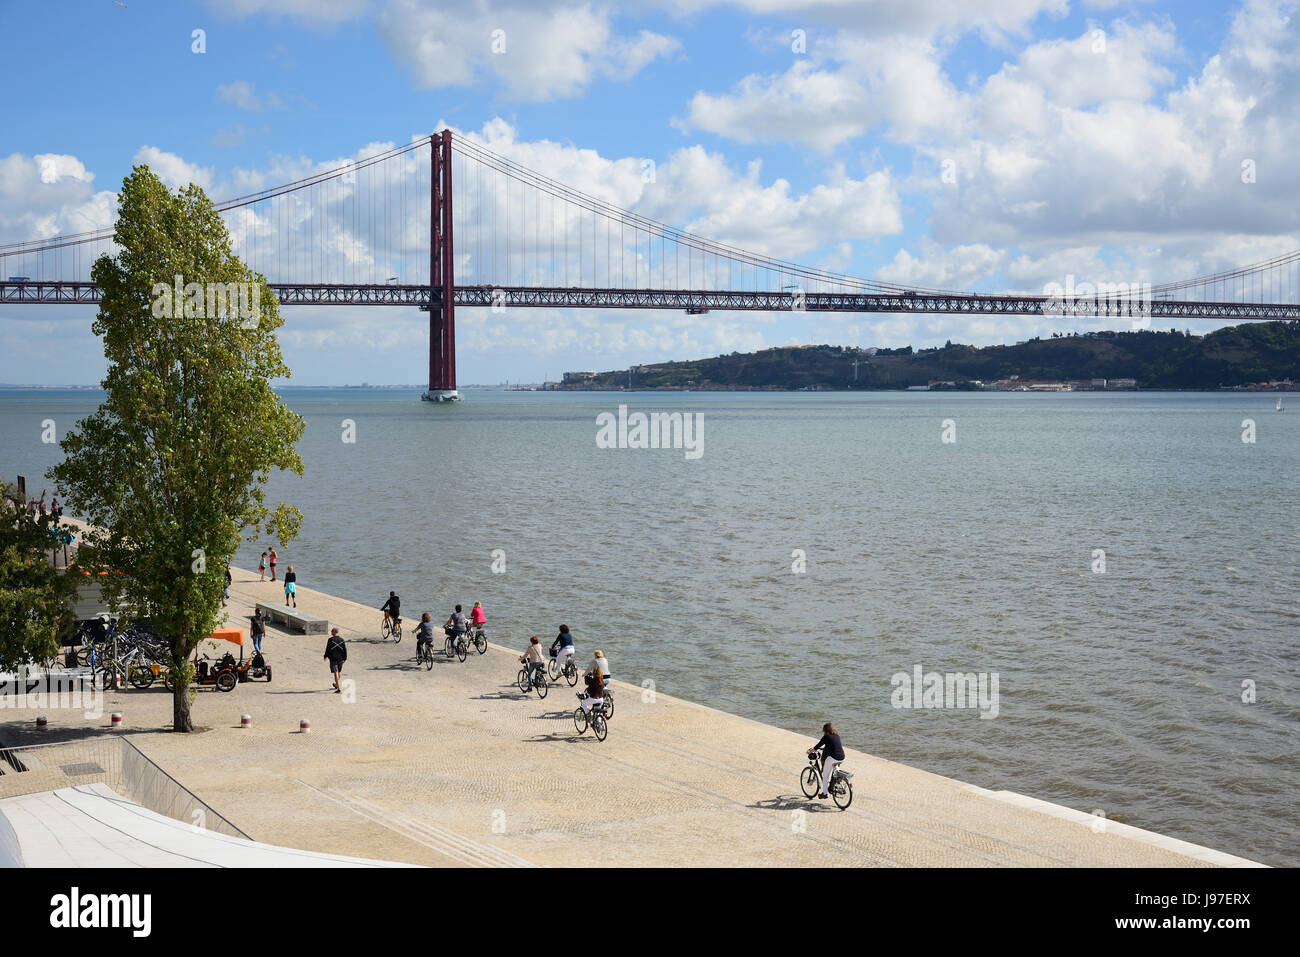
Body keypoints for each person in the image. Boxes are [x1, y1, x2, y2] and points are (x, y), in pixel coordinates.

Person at [808, 722, 846, 800]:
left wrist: (810, 751)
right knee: (835, 770)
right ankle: (834, 785)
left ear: (825, 730)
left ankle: (824, 794)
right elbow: (833, 746)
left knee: (825, 776)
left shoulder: (826, 737)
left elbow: (817, 746)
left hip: (833, 758)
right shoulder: (837, 735)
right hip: (842, 757)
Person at [324, 628, 347, 693]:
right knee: (338, 672)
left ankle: (339, 688)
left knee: (336, 672)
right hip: (341, 658)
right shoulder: (342, 640)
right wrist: (344, 658)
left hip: (333, 658)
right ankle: (337, 684)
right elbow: (344, 650)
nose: (331, 632)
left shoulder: (330, 640)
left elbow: (328, 648)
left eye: (331, 631)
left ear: (334, 632)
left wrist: (325, 656)